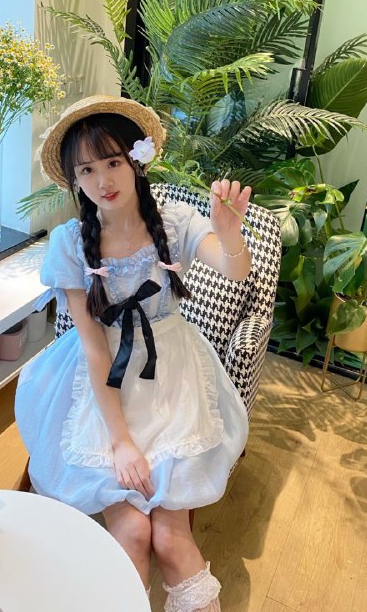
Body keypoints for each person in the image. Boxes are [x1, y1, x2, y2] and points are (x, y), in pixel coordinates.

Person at [15, 96, 252, 612]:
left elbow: (234, 270)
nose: (103, 180)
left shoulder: (175, 221)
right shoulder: (70, 243)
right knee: (133, 534)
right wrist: (121, 443)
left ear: (137, 160)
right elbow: (94, 348)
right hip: (101, 391)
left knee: (170, 538)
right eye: (87, 169)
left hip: (173, 381)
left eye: (113, 162)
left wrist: (230, 237)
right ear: (74, 179)